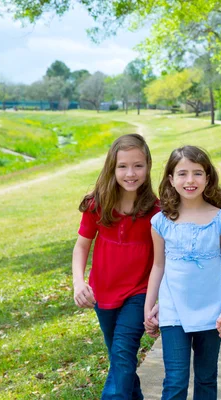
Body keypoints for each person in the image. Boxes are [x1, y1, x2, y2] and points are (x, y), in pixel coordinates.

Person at [143, 145, 221, 400]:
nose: (190, 180)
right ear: (171, 180)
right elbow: (158, 266)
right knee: (175, 379)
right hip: (173, 309)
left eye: (197, 173)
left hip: (212, 311)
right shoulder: (161, 221)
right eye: (182, 173)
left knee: (207, 378)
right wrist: (149, 305)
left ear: (208, 178)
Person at [72, 133, 160, 399]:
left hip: (139, 293)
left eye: (138, 166)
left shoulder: (156, 211)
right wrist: (79, 281)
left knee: (122, 352)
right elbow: (81, 246)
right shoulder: (96, 204)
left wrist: (155, 301)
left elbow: (161, 261)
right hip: (103, 294)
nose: (130, 173)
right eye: (123, 166)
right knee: (120, 359)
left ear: (148, 166)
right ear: (112, 168)